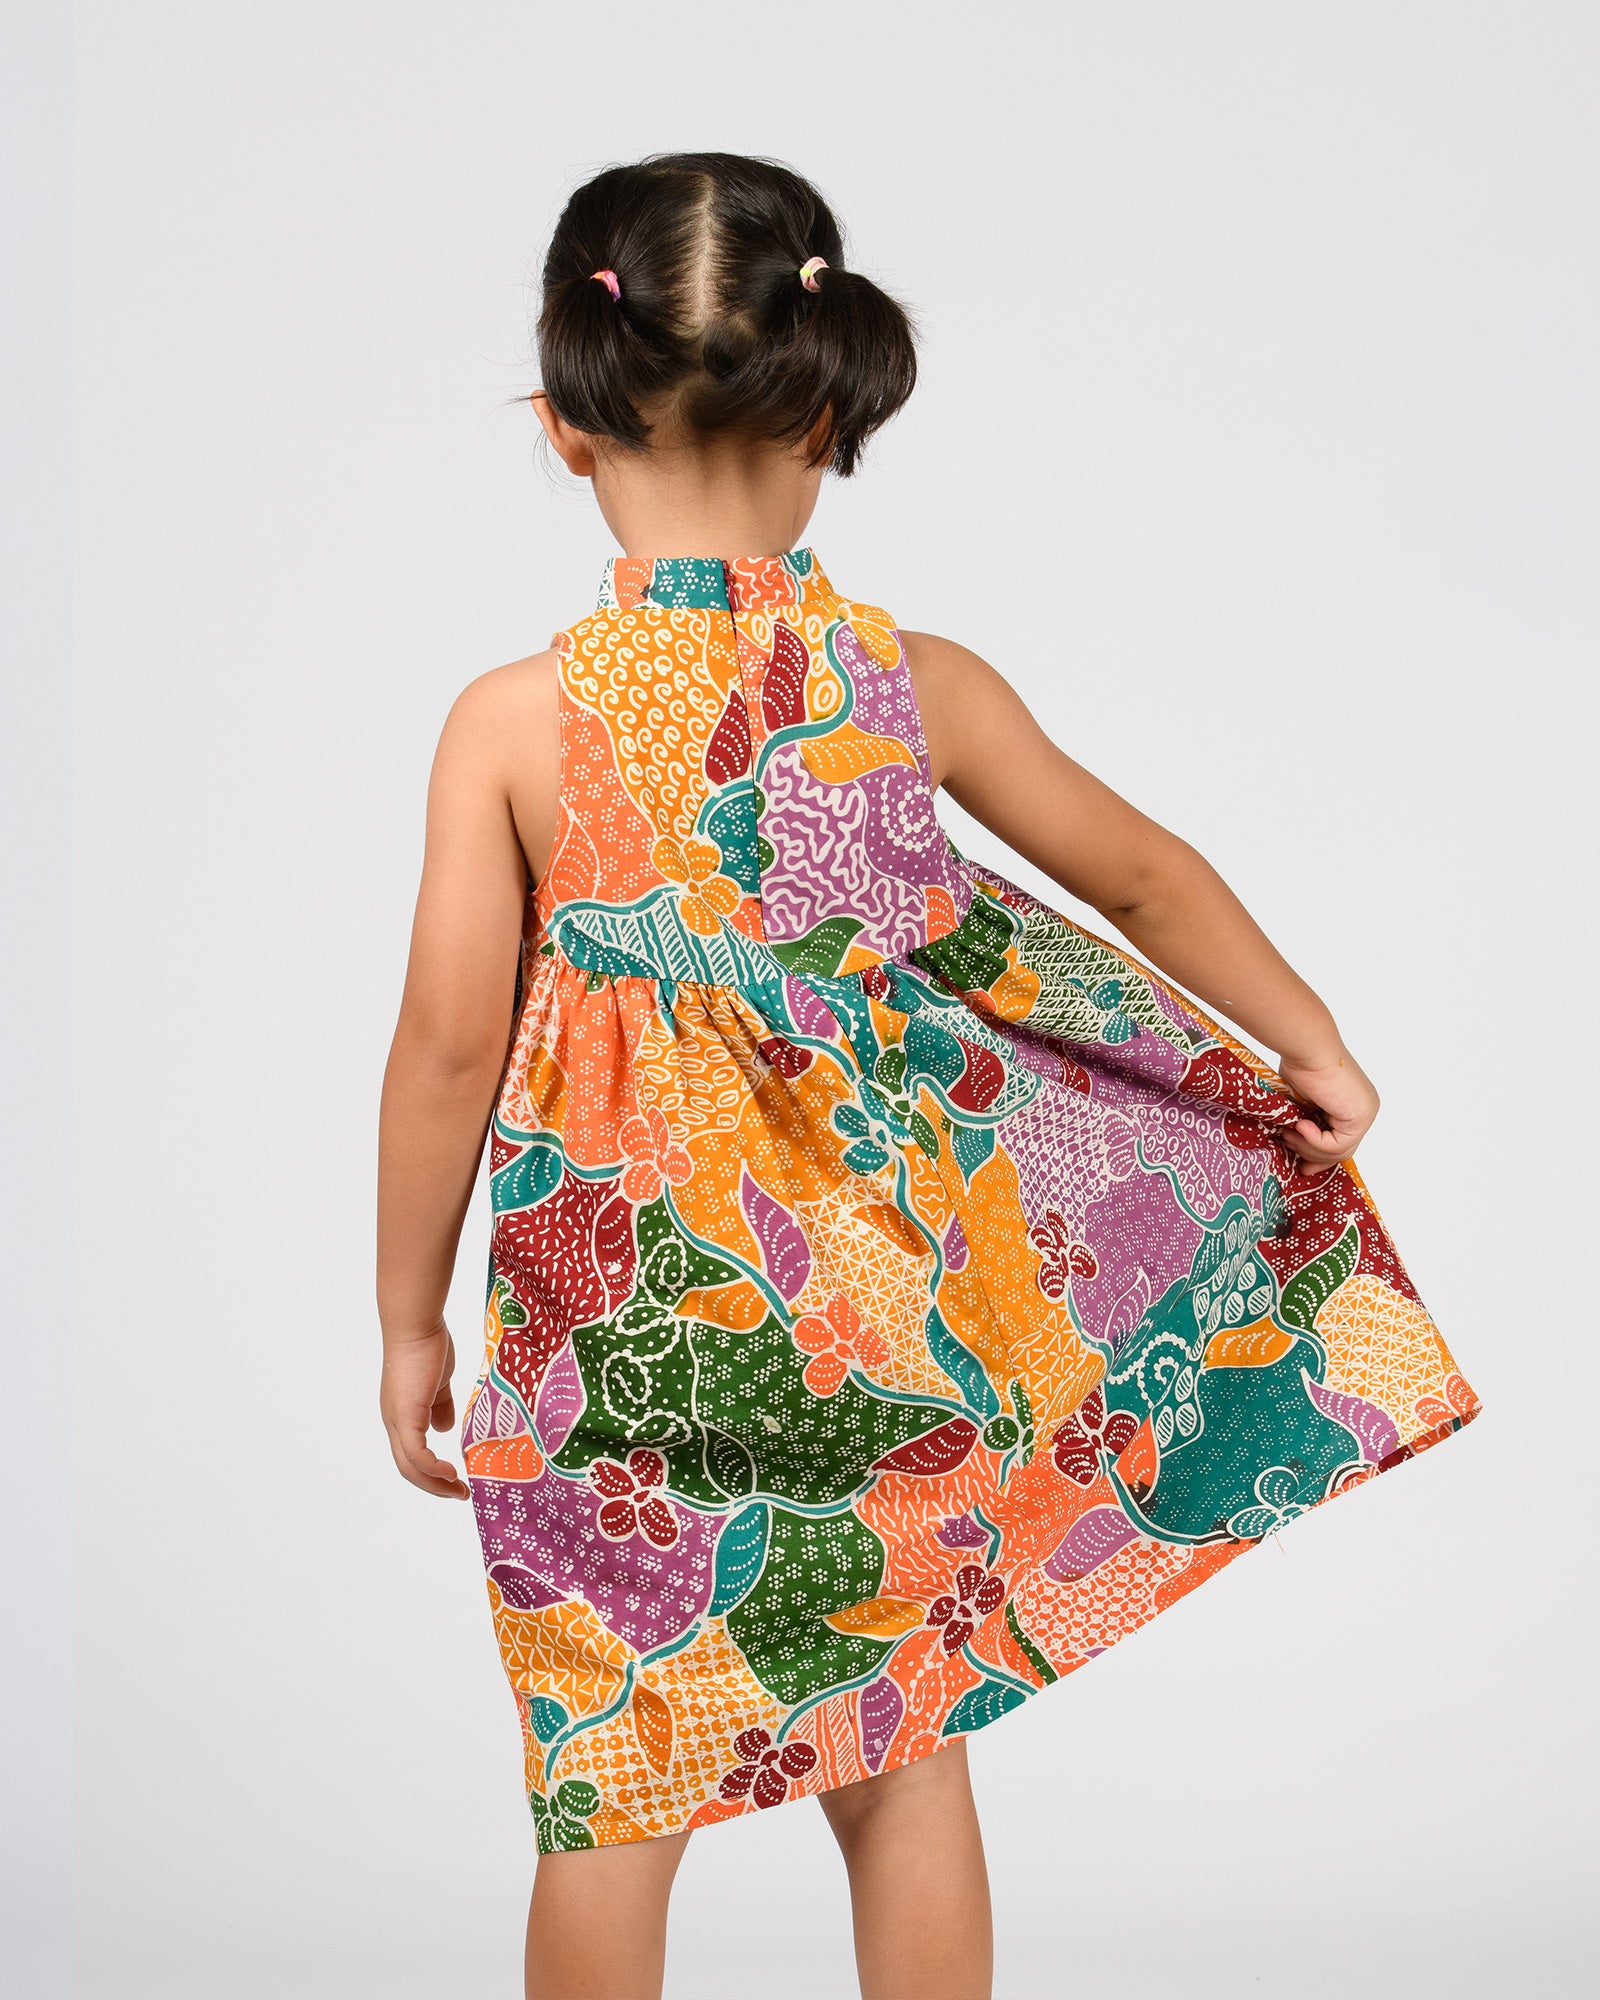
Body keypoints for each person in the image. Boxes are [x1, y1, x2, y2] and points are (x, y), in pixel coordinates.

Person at [376, 152, 1479, 2000]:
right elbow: (1137, 873)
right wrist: (1310, 1043)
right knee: (903, 1756)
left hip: (620, 1343)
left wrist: (409, 1318)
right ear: (830, 411)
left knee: (612, 1786)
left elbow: (447, 1046)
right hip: (886, 1317)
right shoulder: (914, 686)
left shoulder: (516, 724)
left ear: (568, 426)